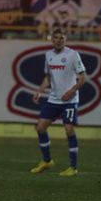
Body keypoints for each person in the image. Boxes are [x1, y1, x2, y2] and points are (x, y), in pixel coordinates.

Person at [30, 26, 87, 177]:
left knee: (69, 129)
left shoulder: (73, 55)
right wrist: (40, 91)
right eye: (55, 38)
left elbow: (83, 78)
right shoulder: (48, 55)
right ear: (51, 39)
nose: (58, 41)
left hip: (70, 101)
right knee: (40, 128)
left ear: (65, 39)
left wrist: (71, 91)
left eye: (61, 38)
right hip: (54, 100)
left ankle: (73, 167)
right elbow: (48, 77)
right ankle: (47, 161)